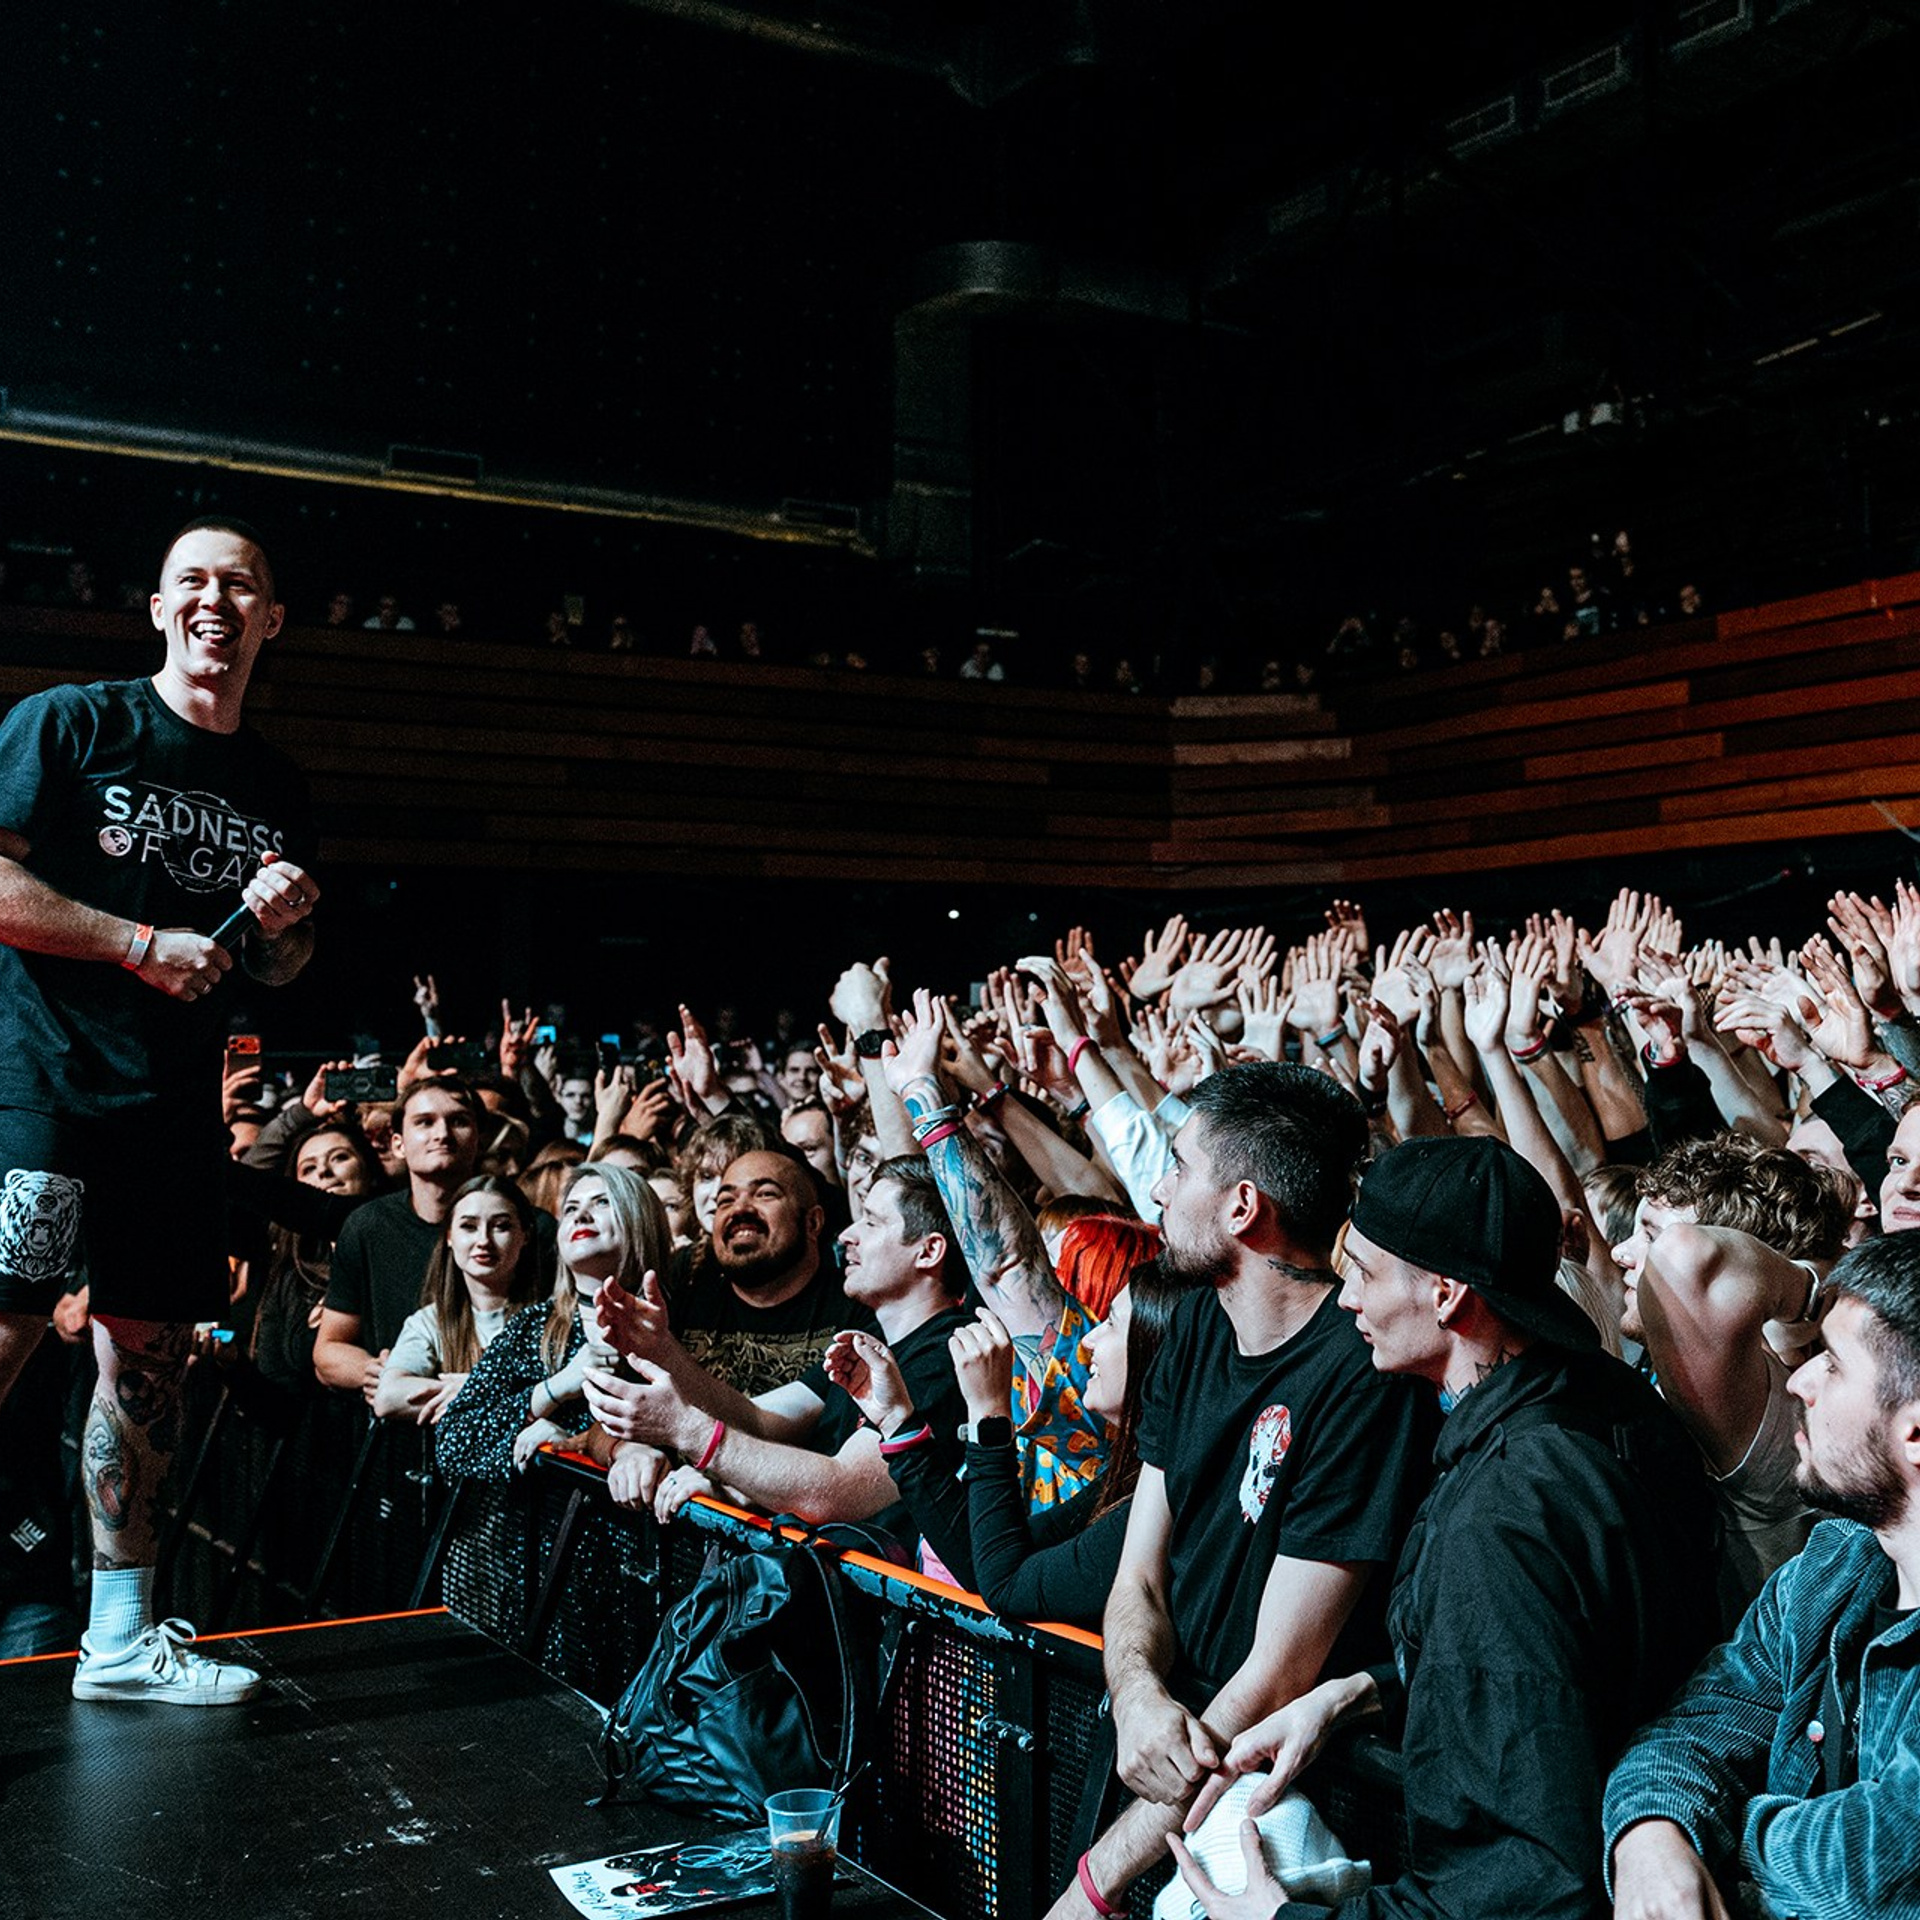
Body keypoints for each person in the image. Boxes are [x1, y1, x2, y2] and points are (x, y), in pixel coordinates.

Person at [1167, 1135, 1719, 1920]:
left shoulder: (1499, 1520)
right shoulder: (1606, 1402)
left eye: (1361, 1272)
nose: (1346, 1300)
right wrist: (1361, 1693)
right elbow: (1555, 1672)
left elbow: (1523, 1883)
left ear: (1449, 1295)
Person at [0, 517, 320, 1706]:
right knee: (8, 1330)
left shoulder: (275, 785)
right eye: (192, 581)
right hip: (45, 1085)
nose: (215, 601)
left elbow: (279, 973)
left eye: (241, 584)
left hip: (172, 1112)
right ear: (157, 607)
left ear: (269, 620)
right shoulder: (74, 723)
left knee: (148, 1364)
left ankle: (120, 1643)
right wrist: (135, 942)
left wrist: (281, 930)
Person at [1048, 1063, 1435, 1920]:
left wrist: (1092, 1890)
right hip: (1160, 1757)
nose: (1158, 1186)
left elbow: (1277, 1672)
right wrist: (1138, 1692)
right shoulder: (1191, 1324)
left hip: (1273, 1799)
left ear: (1242, 1206)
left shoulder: (1360, 1373)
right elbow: (1140, 1571)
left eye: (1180, 1165)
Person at [1604, 1230, 1920, 1920]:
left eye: (1831, 1363)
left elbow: (1861, 1870)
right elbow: (1695, 1728)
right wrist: (1651, 1832)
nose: (1799, 1379)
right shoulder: (1831, 1566)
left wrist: (1721, 1829)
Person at [584, 1155, 972, 1548]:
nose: (847, 1236)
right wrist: (664, 1350)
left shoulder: (946, 1358)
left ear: (928, 1251)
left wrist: (689, 1432)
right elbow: (758, 1418)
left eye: (871, 1222)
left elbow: (836, 1489)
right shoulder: (869, 1338)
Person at [827, 1268, 1180, 1623]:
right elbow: (983, 1559)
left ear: (1158, 1353)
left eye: (1111, 1323)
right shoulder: (1132, 1475)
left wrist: (989, 1412)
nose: (1088, 1340)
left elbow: (1005, 1586)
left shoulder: (1165, 1496)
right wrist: (896, 1419)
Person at [1610, 1134, 1852, 1620]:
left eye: (1650, 1235)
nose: (1621, 1252)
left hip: (1773, 1682)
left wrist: (1808, 1293)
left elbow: (1688, 1257)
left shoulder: (1773, 1399)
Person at [434, 1163, 668, 1481]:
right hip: (542, 1526)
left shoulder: (677, 1321)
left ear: (640, 1218)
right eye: (571, 1207)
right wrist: (551, 1391)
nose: (581, 1215)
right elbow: (452, 1444)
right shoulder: (533, 1328)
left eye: (602, 1202)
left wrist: (578, 1445)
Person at [374, 1176, 547, 1425]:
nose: (484, 1241)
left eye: (501, 1226)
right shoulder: (429, 1321)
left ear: (525, 1236)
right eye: (468, 1226)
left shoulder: (549, 1317)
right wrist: (503, 1395)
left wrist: (473, 1389)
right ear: (449, 1237)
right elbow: (388, 1397)